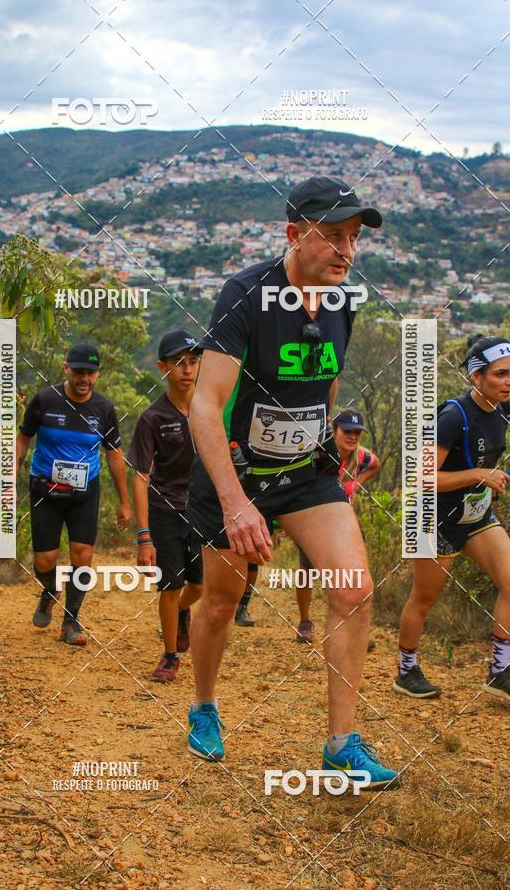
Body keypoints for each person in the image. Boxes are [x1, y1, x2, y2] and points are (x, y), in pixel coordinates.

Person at [186, 176, 400, 790]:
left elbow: (326, 381)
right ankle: (204, 706)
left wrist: (327, 439)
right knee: (222, 602)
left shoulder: (341, 302)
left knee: (354, 590)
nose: (346, 251)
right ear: (293, 234)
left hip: (305, 472)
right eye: (332, 236)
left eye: (353, 238)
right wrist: (235, 503)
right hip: (238, 472)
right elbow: (205, 404)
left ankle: (341, 745)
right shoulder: (246, 295)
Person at [394, 334, 510, 700]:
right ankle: (406, 670)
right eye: (500, 374)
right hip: (431, 517)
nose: (508, 382)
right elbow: (422, 477)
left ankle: (500, 671)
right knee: (424, 598)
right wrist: (479, 475)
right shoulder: (452, 417)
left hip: (474, 516)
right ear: (477, 377)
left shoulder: (503, 409)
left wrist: (491, 477)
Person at [16, 341, 131, 646]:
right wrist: (10, 473)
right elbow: (23, 437)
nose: (84, 379)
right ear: (66, 369)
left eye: (90, 373)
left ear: (98, 374)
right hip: (46, 490)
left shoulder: (104, 409)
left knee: (83, 555)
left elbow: (114, 454)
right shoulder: (45, 400)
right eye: (79, 372)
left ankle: (71, 621)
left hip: (84, 492)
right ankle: (51, 588)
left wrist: (124, 501)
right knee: (45, 560)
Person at [128, 331, 203, 682]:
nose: (187, 369)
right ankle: (170, 656)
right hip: (164, 508)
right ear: (163, 367)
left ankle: (182, 612)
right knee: (170, 586)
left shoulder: (210, 408)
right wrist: (144, 537)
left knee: (199, 586)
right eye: (178, 362)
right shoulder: (152, 418)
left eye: (193, 361)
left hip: (201, 509)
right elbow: (140, 477)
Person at [296, 409, 380, 644]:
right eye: (347, 431)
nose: (352, 437)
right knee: (307, 572)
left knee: (356, 573)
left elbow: (376, 464)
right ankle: (304, 622)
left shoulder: (361, 458)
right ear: (334, 431)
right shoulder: (318, 454)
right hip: (314, 520)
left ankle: (355, 627)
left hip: (346, 522)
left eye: (357, 433)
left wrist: (357, 482)